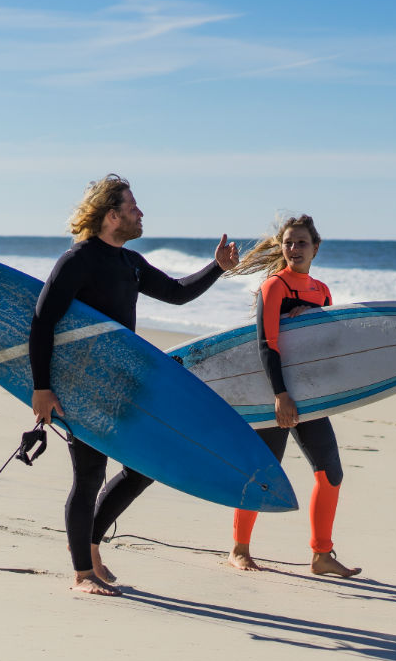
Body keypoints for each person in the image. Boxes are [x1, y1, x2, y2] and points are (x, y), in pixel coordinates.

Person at [29, 174, 239, 596]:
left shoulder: (130, 262)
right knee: (89, 476)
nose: (141, 213)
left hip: (121, 384)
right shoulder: (78, 260)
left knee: (143, 468)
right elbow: (42, 321)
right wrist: (41, 388)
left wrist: (217, 267)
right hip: (83, 383)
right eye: (133, 206)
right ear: (111, 215)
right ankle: (82, 573)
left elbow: (177, 294)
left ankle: (89, 548)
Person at [226, 214, 361, 579]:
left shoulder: (322, 291)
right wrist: (280, 395)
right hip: (278, 393)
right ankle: (238, 549)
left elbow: (326, 347)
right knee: (264, 473)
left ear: (316, 247)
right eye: (288, 242)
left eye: (302, 242)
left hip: (311, 395)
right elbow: (267, 344)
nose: (294, 248)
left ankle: (321, 555)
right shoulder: (275, 287)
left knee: (330, 473)